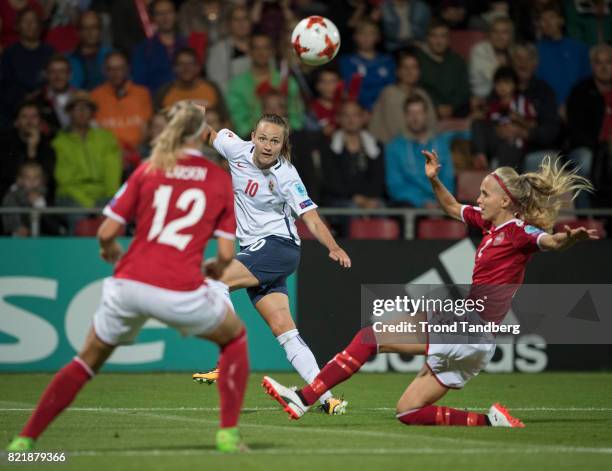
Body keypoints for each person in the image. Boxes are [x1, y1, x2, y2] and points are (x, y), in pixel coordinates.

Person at [262, 151, 597, 427]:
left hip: (470, 327)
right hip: (478, 340)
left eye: (485, 194)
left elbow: (549, 241)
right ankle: (493, 421)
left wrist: (568, 239)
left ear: (507, 203)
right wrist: (434, 179)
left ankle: (303, 398)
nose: (478, 200)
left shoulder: (519, 232)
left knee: (369, 337)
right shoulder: (489, 222)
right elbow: (451, 208)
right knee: (408, 411)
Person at [6, 101, 250, 453]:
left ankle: (25, 440)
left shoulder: (148, 168)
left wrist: (111, 253)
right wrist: (214, 268)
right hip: (180, 290)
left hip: (129, 285)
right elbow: (226, 255)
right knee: (234, 338)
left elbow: (106, 232)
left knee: (86, 360)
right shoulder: (218, 178)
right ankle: (228, 435)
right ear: (202, 132)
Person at [192, 113, 352, 415]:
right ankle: (328, 399)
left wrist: (333, 246)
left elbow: (311, 218)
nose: (267, 146)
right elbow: (207, 134)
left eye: (275, 141)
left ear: (282, 145)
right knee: (285, 330)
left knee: (215, 278)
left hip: (278, 247)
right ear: (253, 136)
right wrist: (193, 111)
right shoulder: (234, 147)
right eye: (263, 138)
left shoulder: (287, 176)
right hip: (257, 251)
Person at [385, 94, 458, 208]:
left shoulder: (440, 144)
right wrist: (422, 202)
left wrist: (439, 202)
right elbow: (395, 186)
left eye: (419, 113)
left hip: (440, 203)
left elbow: (448, 180)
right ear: (405, 116)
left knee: (472, 212)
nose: (415, 118)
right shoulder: (395, 147)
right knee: (404, 208)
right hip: (410, 205)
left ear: (426, 115)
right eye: (410, 113)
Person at [226, 33, 304, 138]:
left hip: (287, 139)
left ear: (272, 51)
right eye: (256, 48)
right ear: (249, 52)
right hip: (250, 140)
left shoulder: (287, 82)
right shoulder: (237, 85)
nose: (261, 53)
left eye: (265, 48)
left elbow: (296, 117)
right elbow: (239, 122)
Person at [91, 50, 153, 167]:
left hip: (138, 153)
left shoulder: (142, 93)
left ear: (127, 69)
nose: (116, 73)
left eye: (120, 68)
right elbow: (95, 131)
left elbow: (147, 128)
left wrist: (134, 154)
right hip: (107, 155)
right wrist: (116, 153)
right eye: (111, 69)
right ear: (104, 71)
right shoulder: (95, 96)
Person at [369, 50, 436, 144]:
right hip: (394, 148)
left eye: (414, 67)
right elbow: (396, 130)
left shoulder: (422, 94)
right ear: (397, 71)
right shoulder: (389, 93)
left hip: (422, 146)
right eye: (405, 67)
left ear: (419, 72)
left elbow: (432, 124)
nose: (410, 71)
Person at [416, 19, 470, 119]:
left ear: (448, 39)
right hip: (426, 111)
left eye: (443, 36)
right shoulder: (418, 60)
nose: (439, 41)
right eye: (434, 36)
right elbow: (417, 88)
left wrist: (452, 106)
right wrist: (436, 106)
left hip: (456, 110)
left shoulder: (457, 60)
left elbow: (464, 90)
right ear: (427, 38)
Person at [338, 19, 395, 112]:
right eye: (362, 33)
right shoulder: (346, 61)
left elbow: (391, 89)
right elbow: (348, 91)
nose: (366, 37)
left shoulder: (387, 61)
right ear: (355, 36)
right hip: (358, 113)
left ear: (378, 37)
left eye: (371, 33)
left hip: (386, 111)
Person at [131, 0, 187, 94]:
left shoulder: (187, 44)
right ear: (153, 18)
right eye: (160, 14)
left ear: (176, 15)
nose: (165, 17)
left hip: (188, 100)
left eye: (169, 12)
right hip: (157, 103)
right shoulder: (143, 49)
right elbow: (139, 85)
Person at [155, 47, 226, 114]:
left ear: (198, 67)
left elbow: (225, 121)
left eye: (190, 64)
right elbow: (157, 122)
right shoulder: (164, 92)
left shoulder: (212, 88)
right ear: (174, 68)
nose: (186, 68)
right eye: (181, 64)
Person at [2, 160, 61, 236]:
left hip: (43, 238)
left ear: (42, 180)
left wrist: (40, 203)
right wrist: (17, 228)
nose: (32, 181)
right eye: (28, 177)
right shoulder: (13, 196)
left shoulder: (47, 196)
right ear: (20, 179)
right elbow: (9, 214)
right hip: (17, 238)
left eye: (36, 177)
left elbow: (53, 225)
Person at [205, 4, 252, 94]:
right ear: (229, 24)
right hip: (230, 101)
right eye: (236, 20)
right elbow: (216, 84)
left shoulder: (261, 46)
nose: (241, 23)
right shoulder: (217, 51)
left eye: (245, 19)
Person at [67, 10, 110, 91]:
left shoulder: (112, 57)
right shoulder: (68, 60)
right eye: (85, 28)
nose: (90, 32)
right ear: (78, 32)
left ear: (100, 30)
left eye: (94, 27)